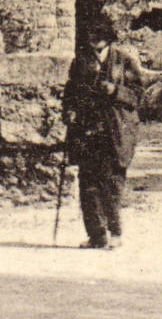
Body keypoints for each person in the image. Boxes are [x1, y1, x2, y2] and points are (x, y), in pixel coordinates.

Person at [62, 17, 146, 249]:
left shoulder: (123, 62)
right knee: (87, 183)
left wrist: (116, 91)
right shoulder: (81, 63)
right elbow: (70, 93)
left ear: (107, 38)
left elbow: (138, 94)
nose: (94, 40)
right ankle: (97, 236)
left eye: (99, 36)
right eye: (90, 35)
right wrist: (69, 111)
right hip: (88, 131)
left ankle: (115, 233)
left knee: (112, 183)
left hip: (115, 131)